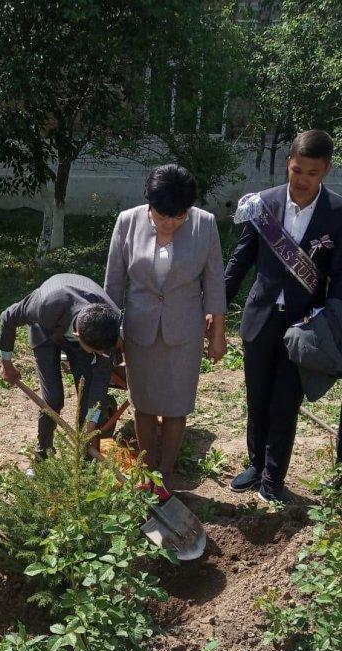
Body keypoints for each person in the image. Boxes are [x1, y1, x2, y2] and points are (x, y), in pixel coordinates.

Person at [226, 129, 342, 503]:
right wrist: (216, 307)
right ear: (287, 163)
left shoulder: (337, 213)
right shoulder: (262, 205)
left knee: (285, 403)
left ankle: (274, 479)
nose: (302, 180)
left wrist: (330, 321)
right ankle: (255, 465)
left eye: (312, 173)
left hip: (304, 326)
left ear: (326, 169)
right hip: (260, 318)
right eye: (297, 170)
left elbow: (339, 277)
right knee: (257, 398)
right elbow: (240, 261)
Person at [104, 164, 227, 490]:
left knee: (176, 405)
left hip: (184, 330)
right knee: (143, 403)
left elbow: (215, 281)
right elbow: (113, 283)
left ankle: (166, 473)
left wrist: (218, 334)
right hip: (140, 328)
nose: (170, 223)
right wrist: (110, 331)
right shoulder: (127, 222)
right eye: (163, 216)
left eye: (179, 216)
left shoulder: (204, 224)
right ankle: (147, 472)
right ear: (150, 204)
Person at [0, 273, 121, 461]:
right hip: (46, 329)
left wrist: (91, 423)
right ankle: (43, 454)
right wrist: (6, 364)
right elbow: (7, 318)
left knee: (88, 399)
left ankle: (84, 462)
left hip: (83, 332)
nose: (100, 355)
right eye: (95, 352)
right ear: (78, 335)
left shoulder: (108, 324)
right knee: (53, 400)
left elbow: (99, 384)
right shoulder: (44, 305)